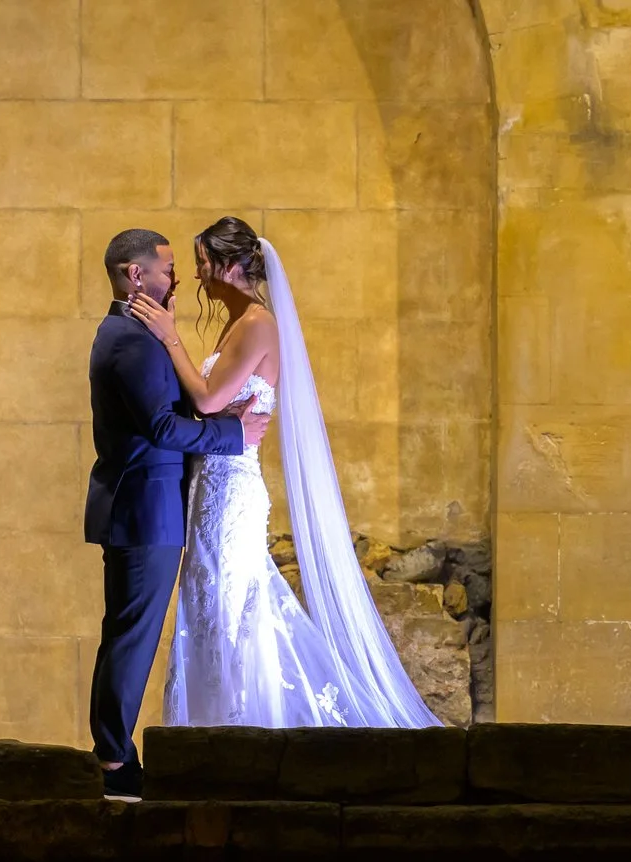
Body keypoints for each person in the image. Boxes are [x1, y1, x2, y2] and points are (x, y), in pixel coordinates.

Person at [126, 217, 438, 732]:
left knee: (231, 606)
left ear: (229, 265)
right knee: (210, 605)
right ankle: (213, 729)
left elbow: (207, 399)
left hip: (231, 490)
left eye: (203, 262)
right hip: (209, 483)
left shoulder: (257, 325)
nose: (197, 275)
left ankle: (246, 727)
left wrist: (169, 337)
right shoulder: (236, 323)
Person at [84, 230, 273, 803]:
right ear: (135, 276)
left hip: (164, 505)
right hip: (146, 510)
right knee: (132, 636)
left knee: (142, 630)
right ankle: (114, 762)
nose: (180, 279)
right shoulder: (131, 341)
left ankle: (123, 754)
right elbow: (165, 428)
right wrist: (233, 434)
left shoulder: (137, 333)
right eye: (169, 268)